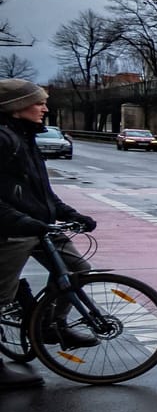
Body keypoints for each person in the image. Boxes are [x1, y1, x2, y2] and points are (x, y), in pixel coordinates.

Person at [0, 80, 99, 392]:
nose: (44, 108)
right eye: (38, 103)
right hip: (11, 230)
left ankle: (51, 326)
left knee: (77, 271)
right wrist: (23, 221)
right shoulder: (3, 140)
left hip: (39, 225)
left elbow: (41, 191)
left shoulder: (25, 137)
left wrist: (69, 212)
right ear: (15, 107)